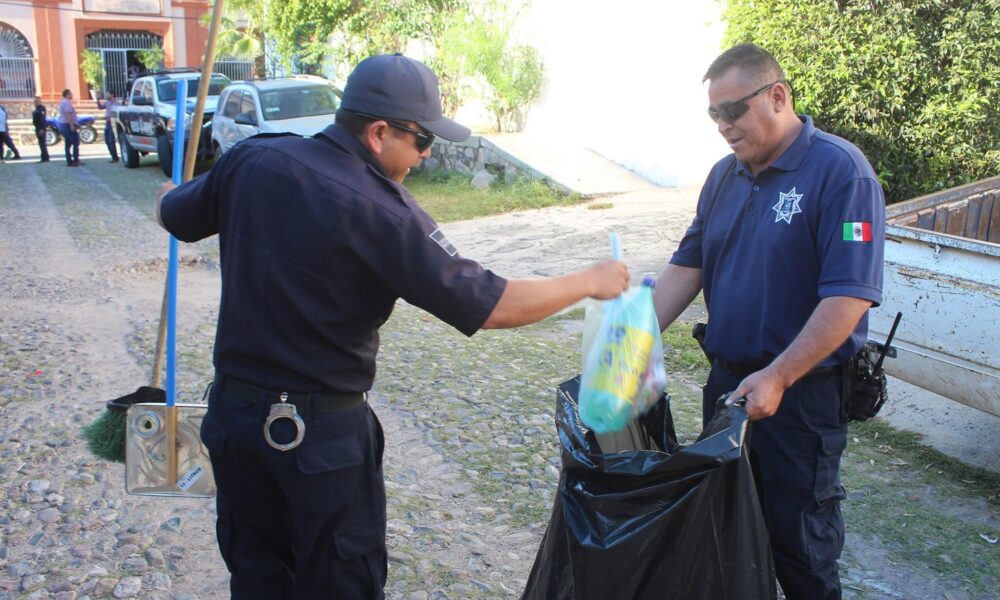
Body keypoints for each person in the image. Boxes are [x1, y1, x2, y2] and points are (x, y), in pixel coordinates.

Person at [156, 54, 629, 599]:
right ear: (379, 133)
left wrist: (168, 195)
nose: (425, 158)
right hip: (318, 442)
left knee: (258, 578)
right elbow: (495, 304)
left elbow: (176, 215)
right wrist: (590, 280)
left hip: (234, 426)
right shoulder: (384, 213)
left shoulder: (254, 159)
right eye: (423, 141)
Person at [652, 43, 884, 600]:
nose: (723, 127)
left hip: (800, 400)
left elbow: (848, 297)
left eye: (733, 110)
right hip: (728, 388)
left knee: (799, 552)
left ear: (777, 96)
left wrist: (779, 376)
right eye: (714, 115)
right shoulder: (722, 178)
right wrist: (629, 342)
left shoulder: (841, 173)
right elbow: (688, 267)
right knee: (721, 540)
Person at [57, 89, 80, 166]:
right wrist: (71, 125)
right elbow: (68, 115)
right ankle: (75, 160)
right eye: (71, 94)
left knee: (68, 143)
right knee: (75, 142)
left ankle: (69, 160)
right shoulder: (66, 103)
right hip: (67, 125)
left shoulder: (62, 102)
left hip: (64, 124)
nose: (72, 95)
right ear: (67, 94)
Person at [97, 91, 120, 162]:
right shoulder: (107, 102)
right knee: (107, 141)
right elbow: (100, 107)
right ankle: (114, 156)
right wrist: (97, 100)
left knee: (111, 141)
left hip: (112, 123)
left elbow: (116, 114)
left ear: (112, 94)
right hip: (107, 123)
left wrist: (110, 118)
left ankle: (114, 157)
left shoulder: (117, 103)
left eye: (108, 94)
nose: (106, 95)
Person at [31, 97, 49, 162]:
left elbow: (42, 119)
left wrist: (42, 128)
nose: (35, 103)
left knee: (42, 143)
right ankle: (44, 156)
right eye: (35, 101)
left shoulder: (41, 109)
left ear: (40, 101)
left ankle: (45, 157)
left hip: (40, 128)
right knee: (41, 143)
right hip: (37, 127)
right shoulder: (36, 109)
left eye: (37, 101)